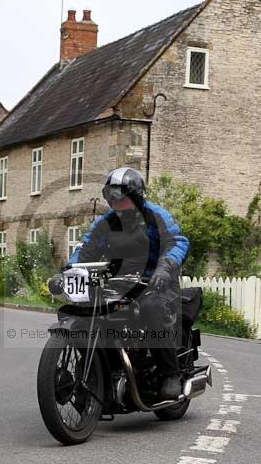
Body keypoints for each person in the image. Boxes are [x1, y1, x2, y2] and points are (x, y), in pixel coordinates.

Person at [50, 167, 190, 401]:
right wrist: (66, 273)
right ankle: (96, 374)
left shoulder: (156, 216)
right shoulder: (105, 223)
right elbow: (84, 251)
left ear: (137, 196)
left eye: (122, 196)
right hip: (116, 282)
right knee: (81, 310)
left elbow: (177, 242)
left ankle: (169, 374)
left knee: (151, 309)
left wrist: (165, 268)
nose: (116, 202)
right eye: (112, 197)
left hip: (155, 282)